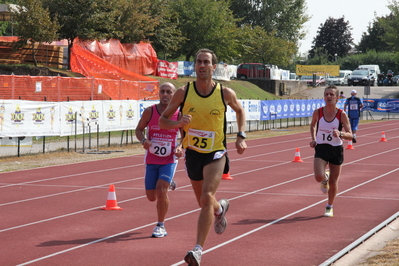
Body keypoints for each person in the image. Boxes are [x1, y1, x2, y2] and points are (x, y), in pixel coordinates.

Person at [159, 48, 247, 266]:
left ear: (213, 67)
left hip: (216, 152)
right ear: (194, 66)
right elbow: (163, 121)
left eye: (206, 62)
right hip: (193, 153)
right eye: (198, 61)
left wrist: (240, 135)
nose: (202, 65)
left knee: (207, 196)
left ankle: (197, 250)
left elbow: (240, 110)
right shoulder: (183, 92)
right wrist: (179, 123)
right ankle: (220, 209)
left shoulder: (224, 93)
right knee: (204, 202)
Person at [135, 82, 183, 238]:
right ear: (159, 94)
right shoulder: (150, 111)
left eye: (169, 92)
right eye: (162, 91)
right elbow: (138, 129)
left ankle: (160, 225)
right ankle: (169, 183)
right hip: (152, 158)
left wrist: (180, 146)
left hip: (170, 158)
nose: (165, 94)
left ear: (174, 95)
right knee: (151, 196)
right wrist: (143, 141)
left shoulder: (179, 114)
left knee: (162, 190)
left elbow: (185, 135)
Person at [310, 85, 353, 217]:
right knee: (318, 176)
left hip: (336, 149)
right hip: (321, 147)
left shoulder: (341, 114)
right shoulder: (318, 112)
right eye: (326, 94)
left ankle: (329, 206)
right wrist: (313, 139)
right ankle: (324, 177)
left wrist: (340, 133)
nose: (328, 96)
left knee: (333, 183)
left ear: (337, 97)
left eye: (331, 94)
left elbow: (350, 135)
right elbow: (312, 125)